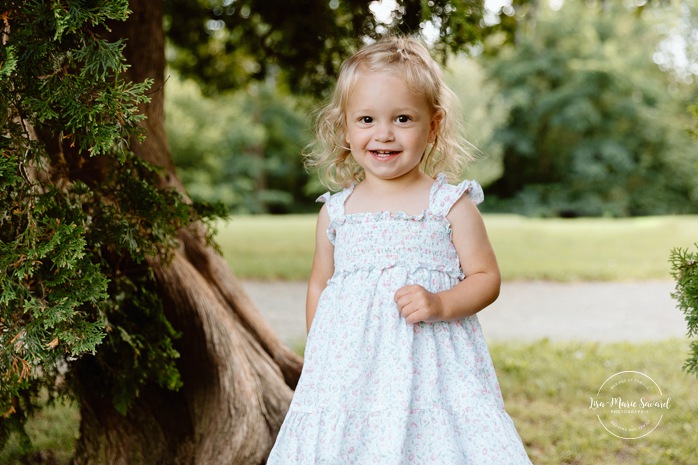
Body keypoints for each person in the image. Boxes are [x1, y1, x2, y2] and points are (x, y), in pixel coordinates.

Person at [267, 36, 533, 464]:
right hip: (351, 375)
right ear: (345, 127)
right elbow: (320, 284)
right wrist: (320, 356)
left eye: (403, 118)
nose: (383, 134)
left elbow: (487, 278)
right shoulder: (337, 212)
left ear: (433, 125)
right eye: (367, 119)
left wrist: (441, 302)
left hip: (431, 372)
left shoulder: (449, 205)